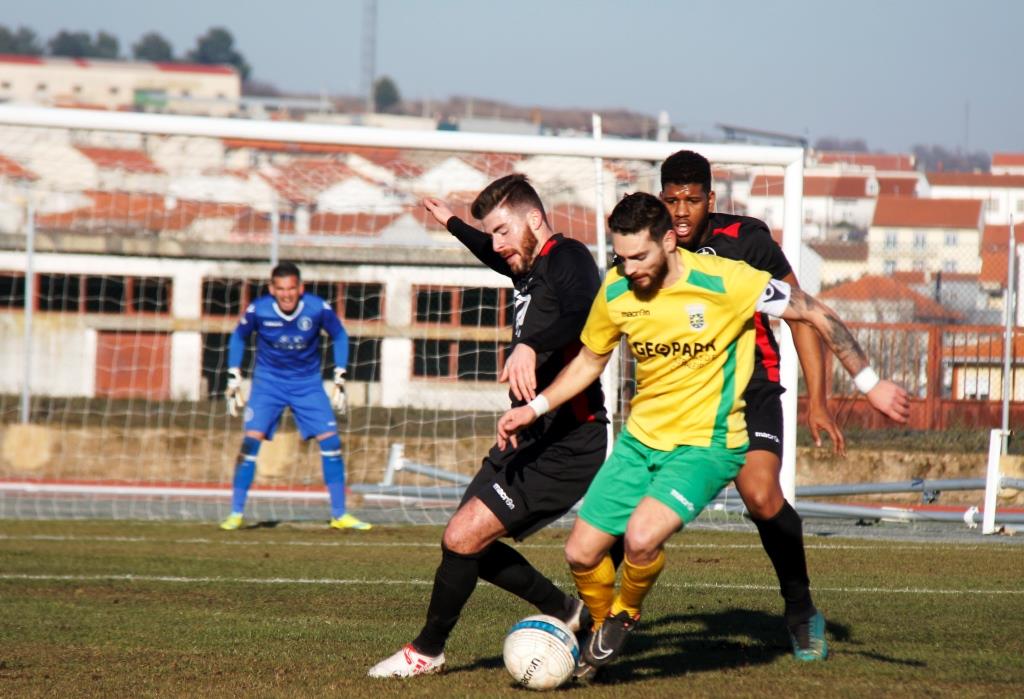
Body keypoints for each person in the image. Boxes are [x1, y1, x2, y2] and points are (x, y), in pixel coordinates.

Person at [496, 192, 910, 672]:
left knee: (640, 539)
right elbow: (591, 359)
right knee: (580, 552)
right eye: (620, 257)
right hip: (639, 443)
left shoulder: (728, 281)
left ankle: (624, 616)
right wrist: (536, 407)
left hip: (708, 445)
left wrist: (870, 383)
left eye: (639, 257)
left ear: (669, 240)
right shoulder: (616, 291)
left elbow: (815, 312)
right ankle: (602, 624)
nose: (629, 269)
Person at [368, 174, 608, 678]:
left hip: (568, 441)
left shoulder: (569, 259)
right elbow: (487, 247)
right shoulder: (525, 263)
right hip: (525, 434)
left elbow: (588, 318)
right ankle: (568, 611)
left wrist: (531, 343)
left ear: (535, 220)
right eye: (493, 236)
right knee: (461, 541)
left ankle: (427, 651)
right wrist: (451, 221)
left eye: (503, 231)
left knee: (463, 536)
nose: (497, 246)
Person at [659, 149, 840, 659]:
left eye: (692, 200)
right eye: (672, 200)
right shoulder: (648, 246)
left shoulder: (746, 241)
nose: (681, 211)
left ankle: (800, 609)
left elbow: (801, 315)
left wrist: (818, 401)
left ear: (710, 200)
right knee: (635, 509)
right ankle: (606, 616)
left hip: (751, 389)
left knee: (762, 497)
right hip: (681, 398)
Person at [219, 261, 371, 532]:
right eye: (281, 289)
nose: (287, 294)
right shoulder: (259, 310)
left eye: (291, 288)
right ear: (271, 289)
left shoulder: (316, 308)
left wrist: (340, 375)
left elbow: (340, 335)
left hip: (307, 385)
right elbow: (238, 336)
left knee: (332, 442)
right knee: (249, 444)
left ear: (300, 288)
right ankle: (235, 514)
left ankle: (340, 514)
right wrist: (234, 374)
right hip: (268, 384)